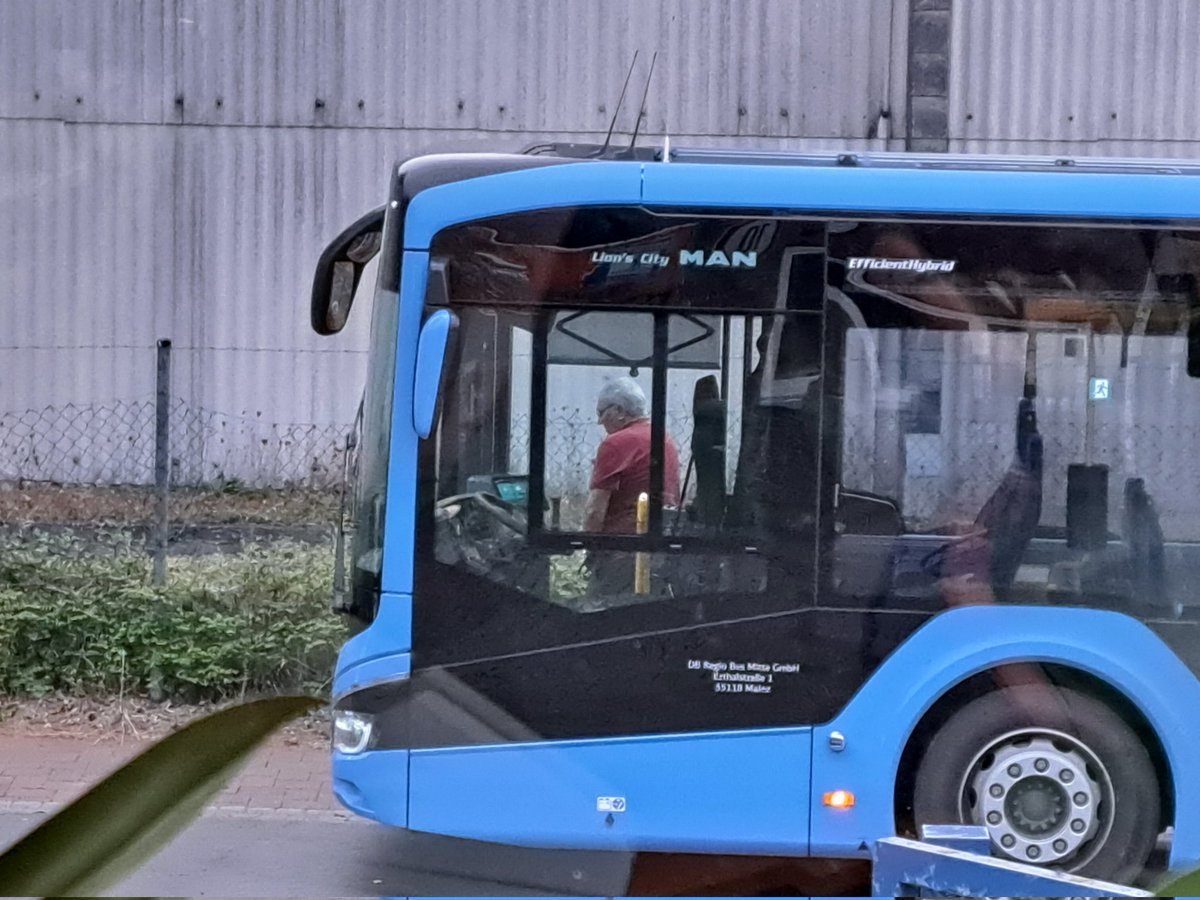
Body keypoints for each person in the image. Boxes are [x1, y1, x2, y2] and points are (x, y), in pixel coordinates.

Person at [583, 376, 680, 534]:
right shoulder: (665, 439)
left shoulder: (615, 443)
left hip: (623, 543)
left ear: (620, 411)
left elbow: (595, 510)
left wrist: (586, 546)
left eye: (601, 413)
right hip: (661, 538)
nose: (599, 422)